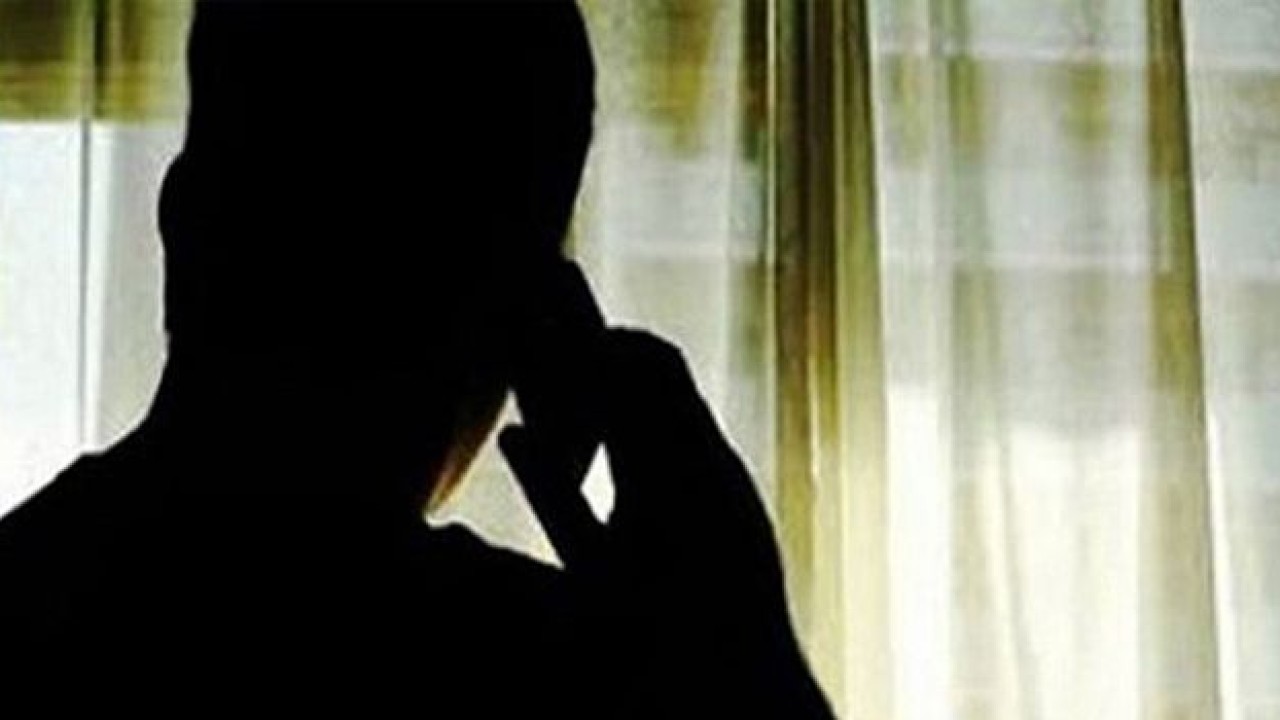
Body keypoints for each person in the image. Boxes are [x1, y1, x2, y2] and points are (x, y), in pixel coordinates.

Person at [0, 2, 833, 716]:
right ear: (531, 319)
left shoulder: (27, 598)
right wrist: (742, 649)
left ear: (185, 217)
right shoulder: (561, 673)